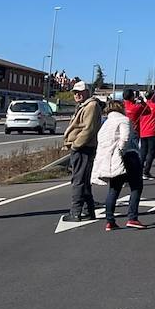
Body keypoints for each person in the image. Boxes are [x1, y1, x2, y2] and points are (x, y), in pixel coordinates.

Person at [94, 100, 145, 230]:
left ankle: (110, 220)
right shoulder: (124, 120)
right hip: (128, 156)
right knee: (136, 186)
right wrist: (121, 151)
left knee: (114, 188)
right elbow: (126, 138)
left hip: (110, 159)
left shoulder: (105, 124)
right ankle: (132, 217)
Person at [62, 81, 103, 223]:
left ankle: (76, 212)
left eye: (80, 92)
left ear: (87, 92)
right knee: (83, 180)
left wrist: (76, 145)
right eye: (75, 92)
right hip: (82, 147)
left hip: (83, 148)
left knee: (78, 180)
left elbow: (89, 129)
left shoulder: (91, 106)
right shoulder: (85, 105)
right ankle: (88, 210)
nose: (77, 95)